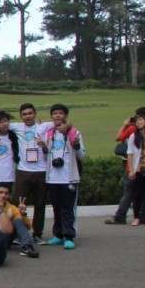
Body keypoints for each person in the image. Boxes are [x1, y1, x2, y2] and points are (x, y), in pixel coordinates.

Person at [42, 103, 85, 249]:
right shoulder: (49, 133)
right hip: (53, 178)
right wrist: (43, 147)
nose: (57, 116)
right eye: (54, 113)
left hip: (69, 177)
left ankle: (69, 236)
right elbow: (46, 157)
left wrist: (76, 145)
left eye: (60, 113)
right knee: (56, 208)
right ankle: (58, 235)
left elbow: (81, 156)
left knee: (68, 208)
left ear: (65, 116)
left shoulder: (74, 132)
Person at [12, 102, 51, 241]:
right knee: (18, 204)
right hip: (23, 171)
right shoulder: (16, 127)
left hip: (41, 171)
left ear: (35, 113)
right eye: (24, 114)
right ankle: (18, 234)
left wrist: (44, 145)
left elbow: (64, 121)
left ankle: (37, 234)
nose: (27, 116)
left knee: (40, 205)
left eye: (30, 113)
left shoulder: (44, 126)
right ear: (20, 116)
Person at [0, 184, 39, 257]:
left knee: (17, 220)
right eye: (1, 192)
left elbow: (28, 227)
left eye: (6, 193)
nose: (3, 195)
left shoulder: (12, 208)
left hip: (6, 239)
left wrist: (23, 214)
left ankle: (27, 247)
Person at [125, 109, 145, 226]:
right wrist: (131, 170)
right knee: (137, 195)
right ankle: (136, 217)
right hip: (139, 169)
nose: (138, 122)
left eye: (140, 119)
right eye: (137, 120)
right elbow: (130, 154)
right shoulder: (134, 136)